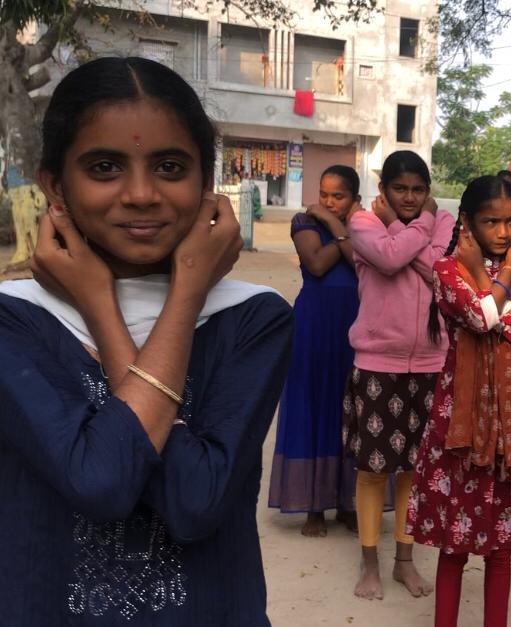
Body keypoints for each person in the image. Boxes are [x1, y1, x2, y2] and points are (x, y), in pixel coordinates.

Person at [0, 56, 291, 624]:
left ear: (206, 183)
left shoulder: (253, 318)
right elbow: (102, 479)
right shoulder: (15, 321)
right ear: (55, 185)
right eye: (104, 167)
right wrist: (102, 305)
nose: (140, 194)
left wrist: (179, 297)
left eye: (170, 167)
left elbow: (194, 501)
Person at [408, 175, 511, 627]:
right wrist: (501, 277)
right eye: (491, 222)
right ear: (467, 222)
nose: (504, 232)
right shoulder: (446, 269)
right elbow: (485, 320)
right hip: (459, 415)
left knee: (500, 545)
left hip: (510, 419)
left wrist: (487, 277)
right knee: (455, 542)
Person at [343, 150, 453, 600]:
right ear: (383, 191)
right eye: (401, 189)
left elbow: (441, 274)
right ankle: (369, 565)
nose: (410, 197)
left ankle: (403, 562)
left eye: (418, 190)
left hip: (430, 363)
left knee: (413, 471)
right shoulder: (361, 223)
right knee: (372, 472)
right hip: (376, 364)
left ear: (427, 192)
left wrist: (404, 237)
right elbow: (389, 261)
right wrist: (416, 230)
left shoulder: (444, 221)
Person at [268, 165, 361, 537]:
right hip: (314, 326)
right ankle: (314, 506)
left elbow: (361, 263)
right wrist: (344, 232)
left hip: (355, 327)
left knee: (351, 409)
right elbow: (318, 264)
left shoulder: (360, 226)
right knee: (316, 406)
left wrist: (339, 229)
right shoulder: (303, 222)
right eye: (324, 194)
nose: (327, 202)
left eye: (338, 196)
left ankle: (349, 504)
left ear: (354, 199)